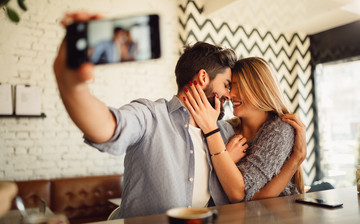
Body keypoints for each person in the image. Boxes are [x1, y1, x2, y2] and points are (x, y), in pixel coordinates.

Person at [54, 12, 306, 219]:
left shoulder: (227, 133)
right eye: (227, 85)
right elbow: (108, 127)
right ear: (203, 78)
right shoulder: (152, 116)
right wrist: (72, 87)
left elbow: (245, 188)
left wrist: (226, 159)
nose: (229, 95)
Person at [183, 57, 305, 202]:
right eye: (229, 87)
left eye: (239, 86)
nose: (230, 95)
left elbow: (250, 198)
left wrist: (297, 157)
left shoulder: (280, 129)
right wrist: (227, 157)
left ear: (259, 88)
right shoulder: (226, 128)